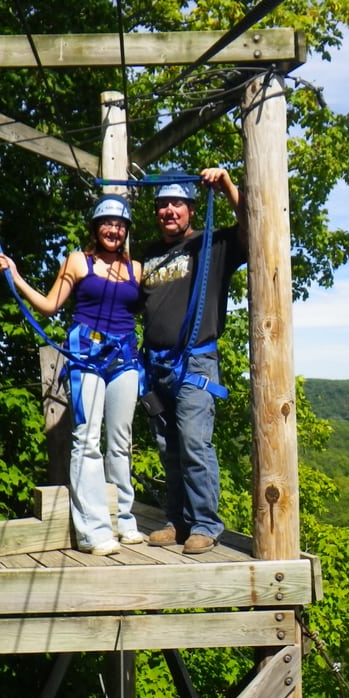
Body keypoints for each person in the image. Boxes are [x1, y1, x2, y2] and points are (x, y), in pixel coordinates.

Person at [0, 194, 145, 556]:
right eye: (108, 224)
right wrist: (15, 277)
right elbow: (49, 306)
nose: (114, 230)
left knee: (121, 442)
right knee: (87, 439)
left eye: (120, 225)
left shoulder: (135, 269)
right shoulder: (79, 261)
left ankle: (125, 520)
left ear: (126, 231)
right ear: (96, 228)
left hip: (124, 357)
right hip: (88, 354)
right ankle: (94, 531)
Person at [140, 167, 247, 554]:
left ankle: (205, 523)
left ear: (190, 208)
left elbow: (252, 225)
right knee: (168, 447)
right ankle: (178, 520)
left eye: (177, 204)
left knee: (193, 444)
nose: (169, 211)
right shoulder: (149, 255)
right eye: (163, 205)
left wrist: (227, 185)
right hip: (157, 367)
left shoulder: (212, 245)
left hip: (194, 365)